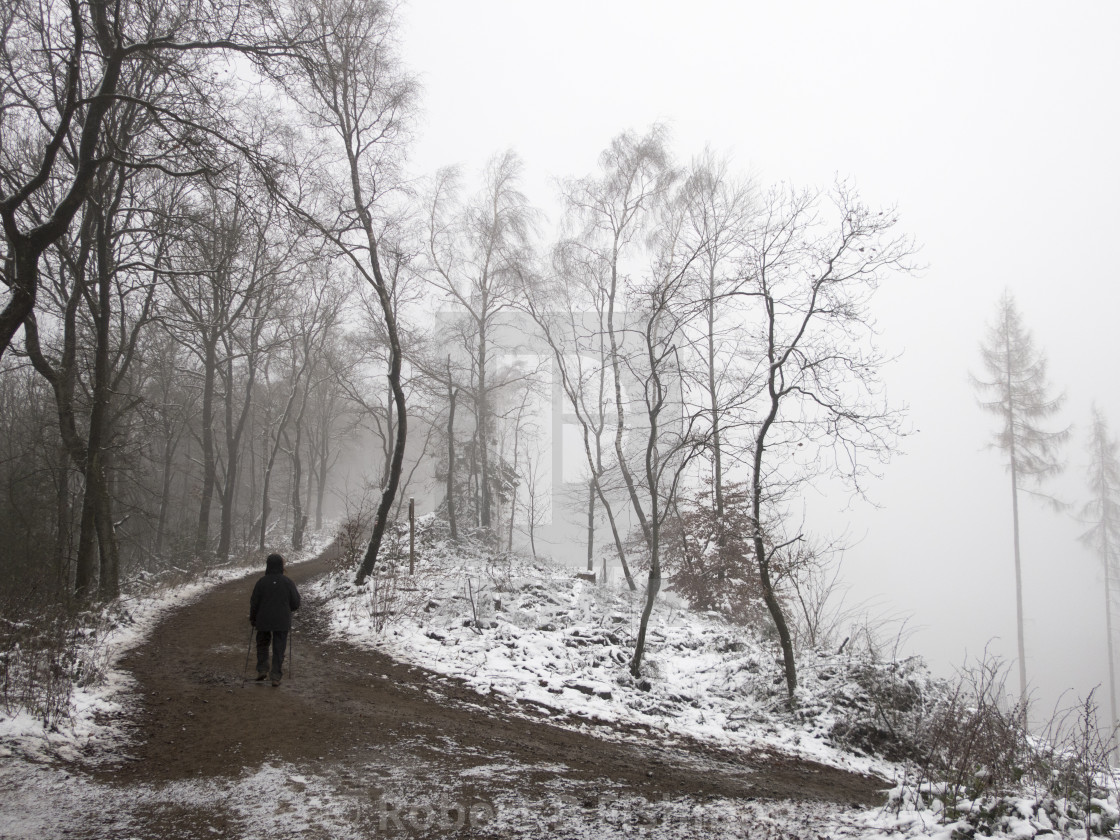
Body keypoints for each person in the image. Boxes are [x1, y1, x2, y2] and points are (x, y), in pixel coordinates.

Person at [249, 553, 301, 686]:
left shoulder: (261, 582)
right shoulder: (288, 582)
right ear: (281, 566)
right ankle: (276, 676)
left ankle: (262, 669)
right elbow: (295, 603)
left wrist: (253, 618)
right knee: (279, 647)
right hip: (282, 620)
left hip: (263, 619)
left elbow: (254, 603)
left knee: (262, 645)